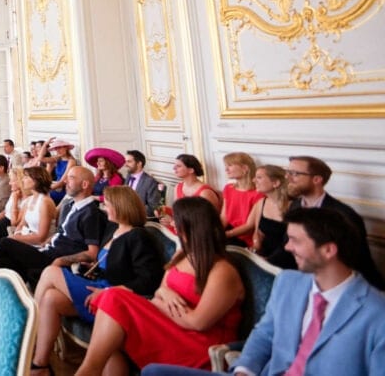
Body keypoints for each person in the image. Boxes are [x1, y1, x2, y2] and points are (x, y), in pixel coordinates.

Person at [141, 208, 385, 376]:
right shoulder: (289, 282)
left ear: (329, 250)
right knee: (153, 371)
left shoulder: (376, 312)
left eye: (295, 241)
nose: (287, 247)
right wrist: (244, 369)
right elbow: (265, 334)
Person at [75, 197, 244, 375]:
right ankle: (89, 370)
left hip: (199, 345)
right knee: (112, 313)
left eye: (176, 222)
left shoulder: (223, 271)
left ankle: (87, 371)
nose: (174, 227)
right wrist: (164, 293)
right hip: (169, 326)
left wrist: (160, 301)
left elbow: (197, 322)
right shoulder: (181, 255)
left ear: (191, 227)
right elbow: (159, 292)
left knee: (113, 299)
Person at [31, 186, 164, 373]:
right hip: (98, 286)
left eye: (107, 205)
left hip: (113, 296)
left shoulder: (138, 236)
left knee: (51, 272)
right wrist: (93, 270)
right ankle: (40, 363)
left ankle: (30, 329)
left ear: (120, 207)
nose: (104, 208)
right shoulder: (113, 231)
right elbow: (107, 264)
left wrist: (110, 292)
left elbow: (149, 279)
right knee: (51, 298)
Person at [0, 166, 107, 287]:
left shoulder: (91, 213)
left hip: (55, 258)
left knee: (5, 243)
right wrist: (45, 243)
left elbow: (92, 253)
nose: (65, 181)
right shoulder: (70, 205)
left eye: (71, 178)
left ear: (84, 184)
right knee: (8, 262)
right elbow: (60, 232)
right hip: (47, 251)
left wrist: (61, 261)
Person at [286, 155, 384, 289]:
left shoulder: (343, 215)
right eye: (288, 172)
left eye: (295, 174)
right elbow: (287, 246)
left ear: (317, 179)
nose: (288, 177)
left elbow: (356, 262)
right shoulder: (295, 206)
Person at [0, 166, 55, 255]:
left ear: (36, 180)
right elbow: (21, 224)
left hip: (39, 245)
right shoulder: (30, 199)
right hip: (26, 236)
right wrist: (17, 234)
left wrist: (14, 238)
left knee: (2, 244)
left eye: (26, 177)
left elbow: (41, 237)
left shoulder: (45, 202)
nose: (23, 180)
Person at [241, 164, 294, 269]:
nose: (253, 180)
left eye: (259, 177)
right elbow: (258, 233)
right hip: (265, 257)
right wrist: (254, 251)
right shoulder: (261, 203)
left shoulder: (294, 206)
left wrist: (268, 261)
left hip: (287, 259)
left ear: (276, 183)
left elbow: (293, 243)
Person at [159, 154, 221, 229]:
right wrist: (165, 211)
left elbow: (209, 221)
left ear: (191, 170)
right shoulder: (178, 187)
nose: (174, 168)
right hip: (181, 229)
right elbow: (179, 212)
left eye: (178, 166)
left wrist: (174, 222)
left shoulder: (205, 192)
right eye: (175, 165)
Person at [221, 152, 261, 247]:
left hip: (246, 237)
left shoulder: (258, 193)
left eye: (230, 165)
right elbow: (224, 217)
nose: (226, 169)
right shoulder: (228, 188)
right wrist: (216, 232)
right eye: (226, 166)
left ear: (245, 168)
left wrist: (224, 235)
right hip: (229, 231)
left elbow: (249, 226)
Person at [123, 150, 163, 217]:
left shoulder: (150, 182)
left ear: (139, 163)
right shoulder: (128, 176)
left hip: (139, 218)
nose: (125, 165)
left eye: (129, 162)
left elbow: (153, 207)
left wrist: (132, 211)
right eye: (125, 161)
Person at [46, 139, 78, 204]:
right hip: (56, 187)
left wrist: (46, 188)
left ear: (66, 148)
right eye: (56, 149)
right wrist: (45, 144)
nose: (58, 150)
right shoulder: (57, 160)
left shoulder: (71, 161)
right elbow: (41, 159)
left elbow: (63, 181)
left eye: (59, 148)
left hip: (65, 189)